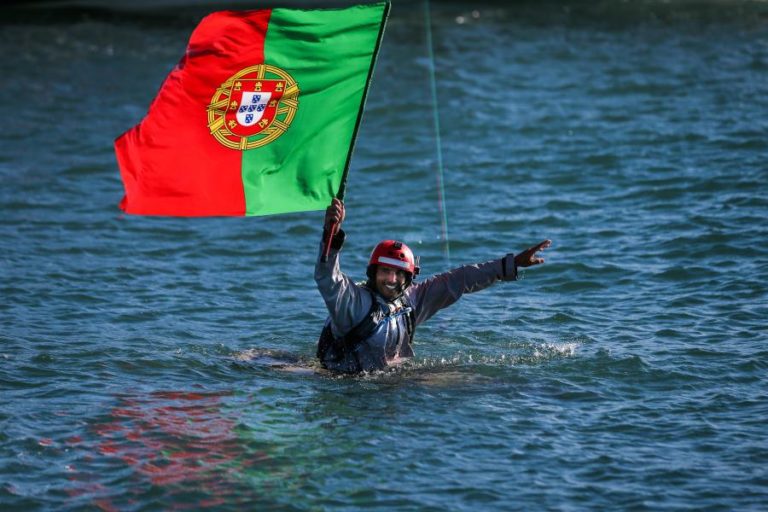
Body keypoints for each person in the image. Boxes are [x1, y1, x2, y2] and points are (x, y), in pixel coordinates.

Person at [315, 198, 551, 373]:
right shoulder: (352, 303)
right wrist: (331, 233)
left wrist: (508, 265)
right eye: (385, 271)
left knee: (468, 380)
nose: (391, 280)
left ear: (409, 278)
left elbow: (461, 279)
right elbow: (328, 277)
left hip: (390, 384)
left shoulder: (412, 301)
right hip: (345, 385)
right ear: (373, 272)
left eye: (399, 274)